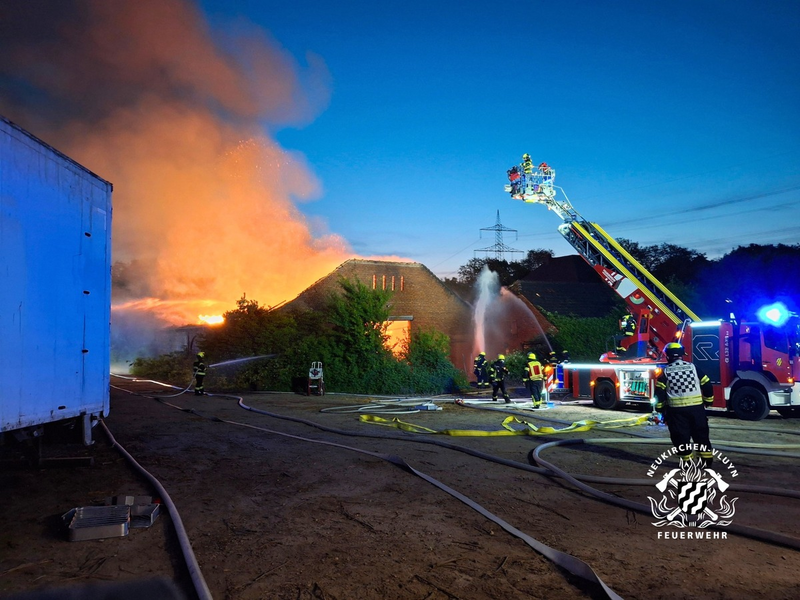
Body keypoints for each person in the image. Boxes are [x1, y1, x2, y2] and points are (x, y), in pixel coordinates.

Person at [654, 343, 714, 466]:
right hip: (697, 410)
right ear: (682, 354)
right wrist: (708, 400)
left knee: (680, 437)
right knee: (701, 435)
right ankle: (706, 462)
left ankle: (687, 463)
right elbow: (707, 384)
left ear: (667, 356)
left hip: (676, 412)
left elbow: (659, 393)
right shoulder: (693, 367)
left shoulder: (665, 372)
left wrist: (660, 408)